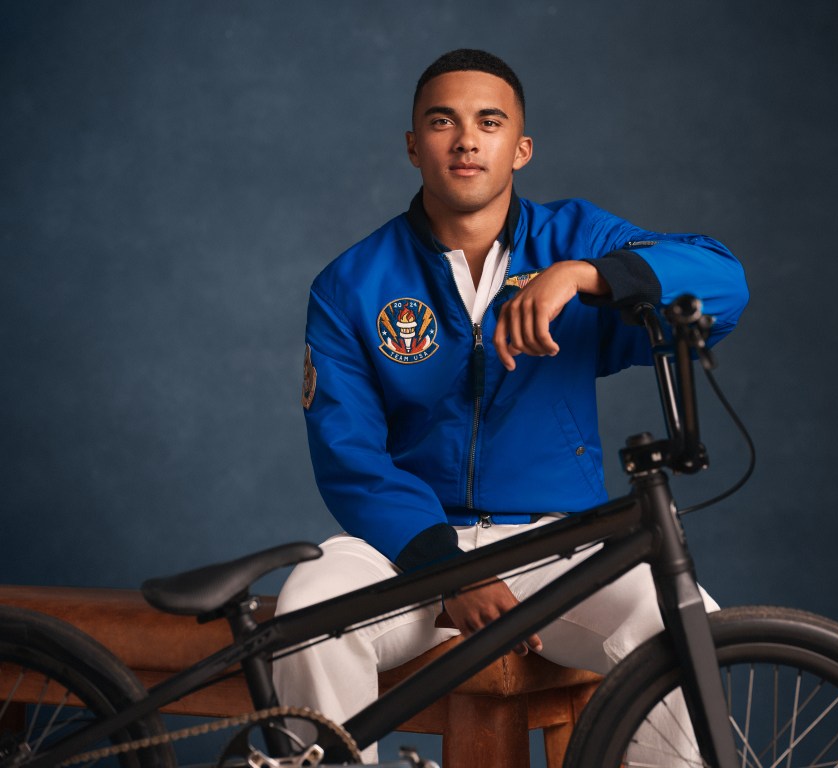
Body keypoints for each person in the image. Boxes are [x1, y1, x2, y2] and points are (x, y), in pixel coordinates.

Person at [274, 48, 748, 764]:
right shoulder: (351, 284)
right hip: (406, 549)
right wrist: (447, 570)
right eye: (443, 121)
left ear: (519, 147)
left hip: (555, 546)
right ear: (413, 145)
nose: (466, 139)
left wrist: (585, 276)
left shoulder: (576, 240)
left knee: (683, 626)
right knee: (307, 612)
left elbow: (723, 282)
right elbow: (349, 453)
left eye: (488, 122)